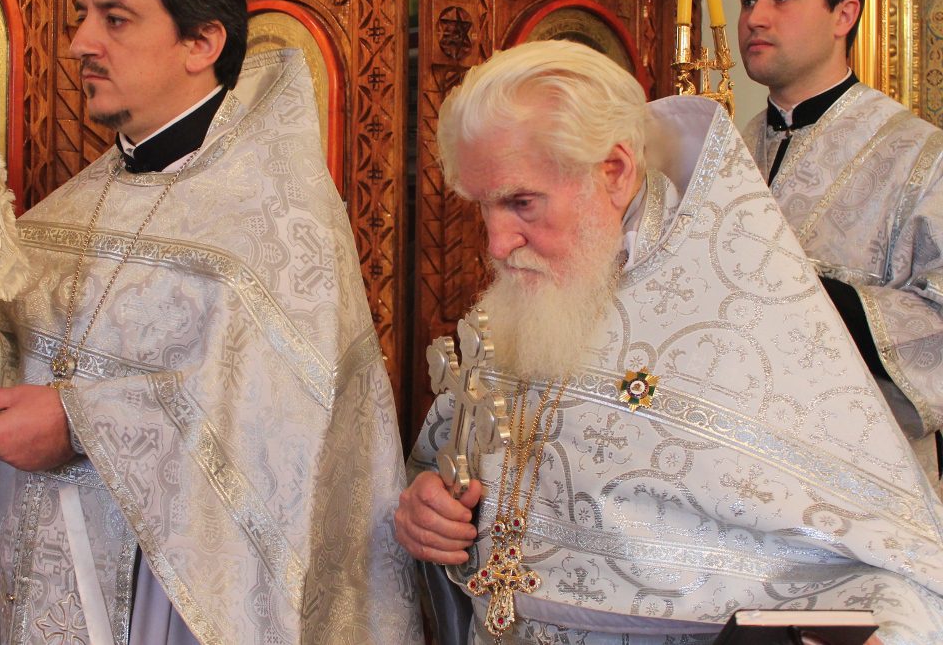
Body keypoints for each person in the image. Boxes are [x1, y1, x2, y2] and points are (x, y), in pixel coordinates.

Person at [0, 0, 421, 644]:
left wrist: (80, 423)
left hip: (172, 605)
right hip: (42, 585)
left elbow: (285, 427)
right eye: (83, 16)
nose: (80, 42)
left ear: (202, 43)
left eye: (115, 19)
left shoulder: (279, 221)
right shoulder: (71, 207)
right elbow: (4, 368)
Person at [395, 40, 943, 644]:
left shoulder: (745, 316)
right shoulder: (527, 294)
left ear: (613, 171)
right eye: (483, 207)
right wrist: (426, 505)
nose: (497, 243)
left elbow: (894, 567)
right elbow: (452, 463)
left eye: (521, 203)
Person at [736, 0, 943, 485]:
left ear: (843, 15)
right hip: (741, 457)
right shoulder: (726, 150)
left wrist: (805, 296)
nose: (755, 18)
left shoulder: (920, 154)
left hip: (864, 468)